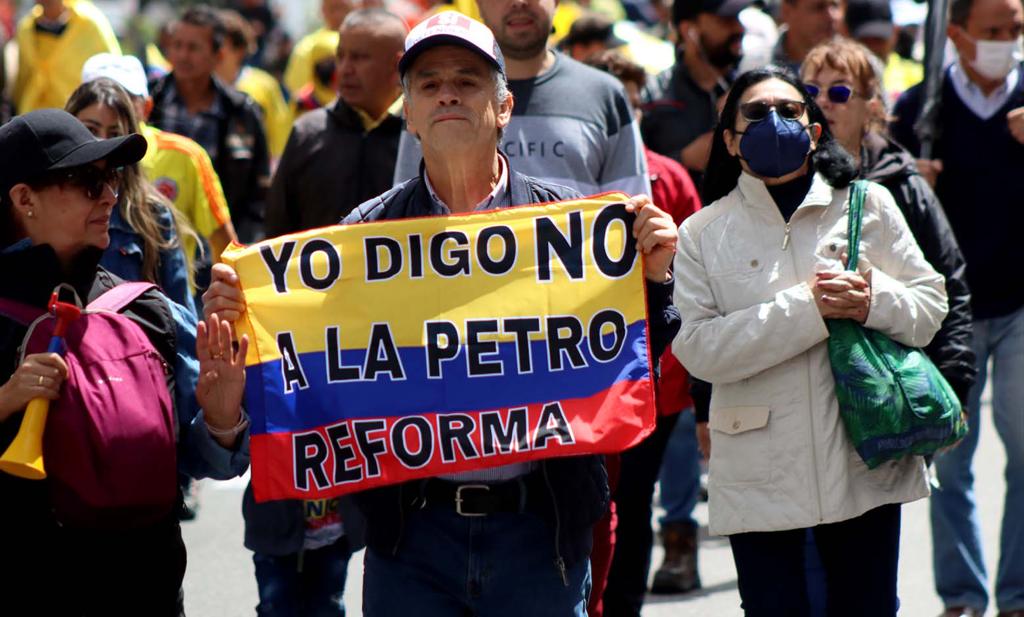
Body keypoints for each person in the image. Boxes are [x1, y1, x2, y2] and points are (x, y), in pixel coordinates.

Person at [203, 13, 679, 616]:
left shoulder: (572, 226)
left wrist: (657, 283)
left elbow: (622, 368)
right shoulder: (362, 237)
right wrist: (243, 357)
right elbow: (319, 382)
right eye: (428, 83)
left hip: (541, 535)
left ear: (504, 107)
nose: (448, 92)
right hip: (413, 540)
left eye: (467, 80)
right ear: (409, 111)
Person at [673, 66, 948, 616]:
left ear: (815, 129)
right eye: (754, 113)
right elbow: (699, 350)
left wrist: (871, 302)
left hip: (862, 460)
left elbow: (929, 308)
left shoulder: (868, 205)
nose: (774, 122)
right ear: (729, 140)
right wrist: (807, 308)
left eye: (791, 110)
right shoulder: (702, 232)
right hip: (758, 475)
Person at [0, 108, 250, 614]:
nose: (111, 195)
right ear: (24, 199)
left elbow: (206, 460)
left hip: (148, 591)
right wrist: (6, 399)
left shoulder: (147, 310)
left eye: (111, 178)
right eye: (86, 182)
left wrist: (222, 420)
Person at [891, 0, 1024, 614]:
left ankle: (1018, 593)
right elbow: (884, 194)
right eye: (992, 31)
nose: (1005, 42)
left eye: (1015, 30)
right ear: (961, 34)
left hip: (1022, 303)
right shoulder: (922, 109)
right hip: (952, 310)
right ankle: (962, 597)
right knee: (950, 460)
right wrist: (910, 178)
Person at [582, 49, 703, 616]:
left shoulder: (670, 178)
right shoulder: (559, 190)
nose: (621, 119)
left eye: (629, 106)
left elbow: (694, 281)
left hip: (657, 386)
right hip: (584, 383)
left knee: (631, 509)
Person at [394, 0, 651, 198]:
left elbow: (627, 215)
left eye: (466, 82)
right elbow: (408, 213)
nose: (518, 2)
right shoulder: (429, 103)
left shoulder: (605, 94)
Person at [65, 77, 200, 318]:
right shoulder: (45, 204)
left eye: (114, 133)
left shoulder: (152, 216)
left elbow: (182, 320)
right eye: (91, 130)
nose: (103, 142)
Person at [266, 8, 406, 236]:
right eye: (340, 57)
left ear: (397, 65)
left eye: (359, 58)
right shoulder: (307, 133)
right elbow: (277, 233)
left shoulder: (422, 137)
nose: (344, 69)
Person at [149, 5, 271, 244]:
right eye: (177, 45)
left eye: (193, 48)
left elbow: (259, 193)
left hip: (219, 249)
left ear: (218, 55)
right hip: (155, 243)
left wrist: (240, 246)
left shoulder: (241, 113)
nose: (183, 55)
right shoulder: (149, 102)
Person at [642, 0, 748, 183]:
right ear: (688, 30)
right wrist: (683, 160)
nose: (739, 28)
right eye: (725, 20)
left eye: (738, 18)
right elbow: (634, 172)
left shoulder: (754, 92)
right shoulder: (653, 95)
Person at [13, 0, 119, 113]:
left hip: (77, 118)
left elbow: (113, 77)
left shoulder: (90, 25)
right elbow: (21, 82)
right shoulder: (26, 28)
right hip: (32, 117)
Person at [217, 9, 293, 160]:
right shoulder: (198, 84)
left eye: (219, 44)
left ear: (239, 48)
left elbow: (280, 138)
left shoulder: (264, 85)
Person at [284, 0, 360, 110]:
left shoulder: (368, 42)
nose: (338, 14)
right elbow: (297, 91)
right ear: (322, 10)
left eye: (342, 7)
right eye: (333, 8)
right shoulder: (307, 46)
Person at [844, 0, 923, 103]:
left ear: (895, 31)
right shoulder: (837, 76)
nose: (872, 48)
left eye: (879, 39)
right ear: (846, 34)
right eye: (865, 40)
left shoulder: (916, 75)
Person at [772, 0, 842, 73]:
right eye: (819, 7)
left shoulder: (851, 67)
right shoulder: (762, 63)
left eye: (835, 5)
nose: (831, 16)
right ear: (787, 11)